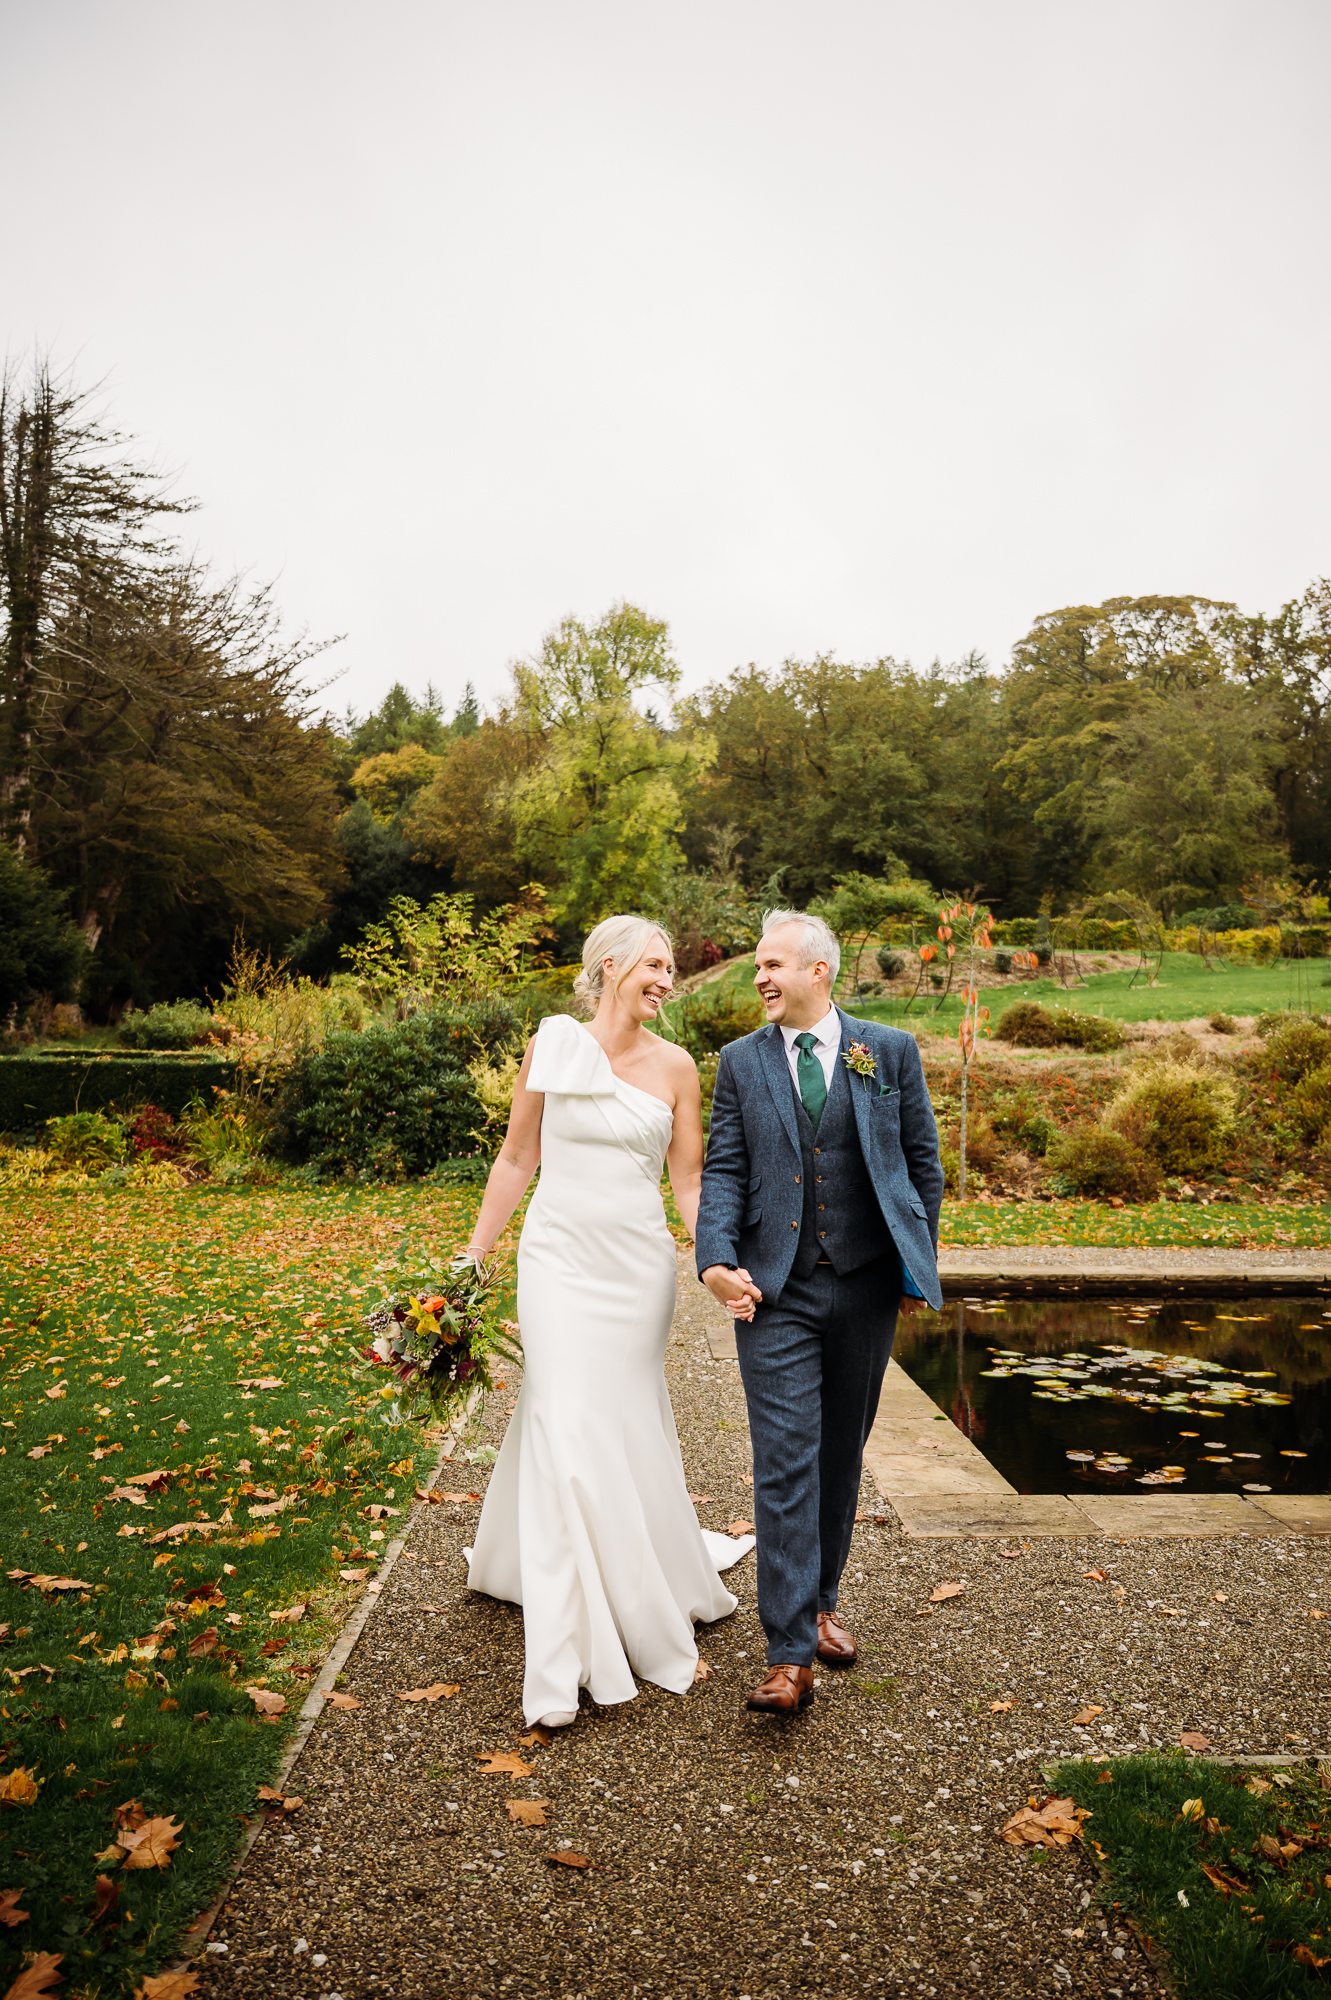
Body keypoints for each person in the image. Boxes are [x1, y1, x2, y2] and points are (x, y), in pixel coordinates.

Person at [462, 915, 755, 1729]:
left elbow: (688, 1181)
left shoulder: (678, 1068)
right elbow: (519, 1156)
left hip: (633, 1269)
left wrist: (712, 1260)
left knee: (612, 1421)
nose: (667, 979)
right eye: (655, 965)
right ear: (611, 967)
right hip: (555, 1261)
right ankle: (567, 1639)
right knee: (562, 1417)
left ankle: (627, 1577)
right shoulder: (553, 1043)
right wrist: (474, 1256)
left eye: (669, 967)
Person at [695, 908, 944, 1716]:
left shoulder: (888, 1051)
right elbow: (724, 1168)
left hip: (868, 1286)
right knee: (784, 1461)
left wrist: (915, 1264)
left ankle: (823, 1599)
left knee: (841, 1452)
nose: (759, 978)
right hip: (776, 1290)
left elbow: (921, 1167)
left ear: (818, 973)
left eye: (771, 965)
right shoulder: (739, 1063)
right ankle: (788, 1651)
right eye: (756, 968)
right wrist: (713, 1259)